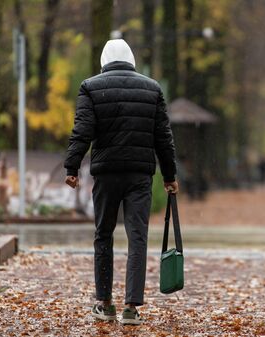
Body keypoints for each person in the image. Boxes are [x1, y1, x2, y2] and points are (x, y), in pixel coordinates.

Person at [64, 39, 178, 325]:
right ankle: (131, 307)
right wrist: (169, 175)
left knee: (103, 235)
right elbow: (163, 137)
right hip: (139, 175)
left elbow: (83, 130)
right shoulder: (152, 88)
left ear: (103, 60)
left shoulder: (90, 87)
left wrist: (72, 166)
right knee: (136, 237)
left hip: (106, 174)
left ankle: (104, 303)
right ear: (132, 59)